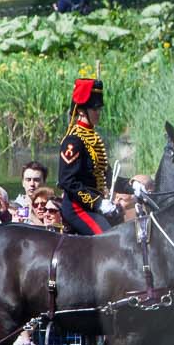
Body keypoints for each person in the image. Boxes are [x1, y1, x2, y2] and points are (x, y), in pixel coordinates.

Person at [59, 78, 112, 235]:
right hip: (78, 208)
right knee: (107, 238)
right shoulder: (73, 141)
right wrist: (97, 203)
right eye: (95, 109)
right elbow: (67, 181)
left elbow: (105, 175)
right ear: (82, 111)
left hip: (94, 206)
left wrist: (132, 186)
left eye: (99, 109)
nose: (98, 113)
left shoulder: (93, 137)